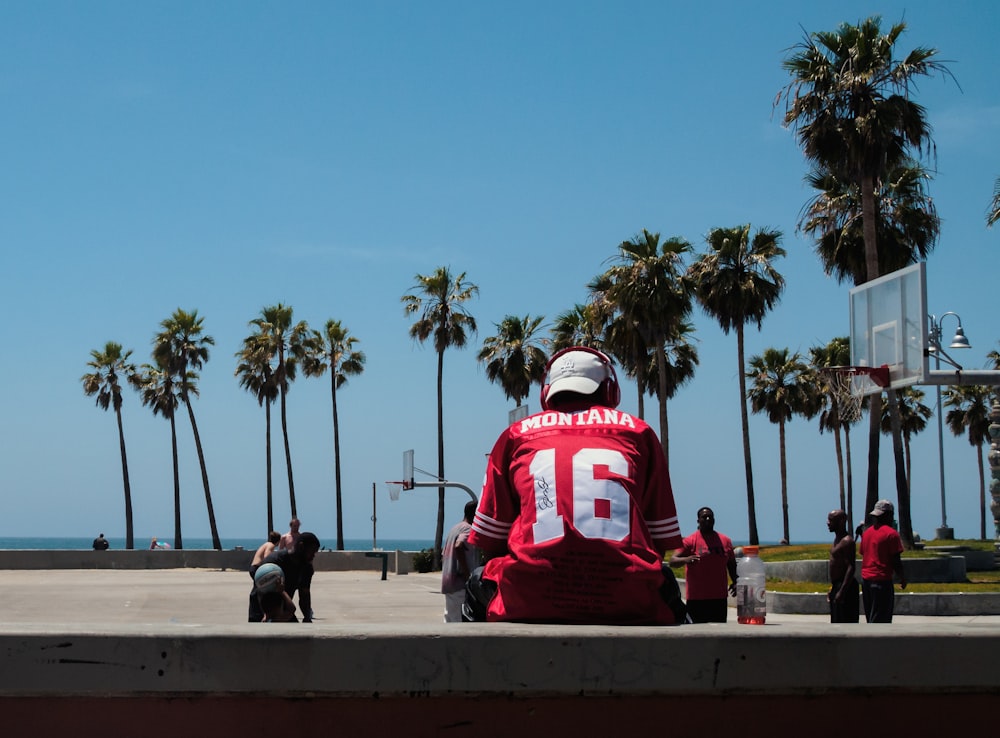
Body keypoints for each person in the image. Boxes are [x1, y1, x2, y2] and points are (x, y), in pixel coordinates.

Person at [464, 346, 684, 624]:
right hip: (628, 597)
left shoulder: (515, 435)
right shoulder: (639, 433)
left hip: (529, 595)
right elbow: (658, 542)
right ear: (609, 389)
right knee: (665, 583)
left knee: (477, 580)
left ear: (547, 392)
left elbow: (491, 543)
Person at [669, 507, 737, 623]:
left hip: (719, 598)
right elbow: (672, 561)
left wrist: (736, 582)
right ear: (698, 520)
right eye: (704, 517)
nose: (708, 519)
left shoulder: (725, 541)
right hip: (697, 599)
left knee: (719, 635)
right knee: (697, 636)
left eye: (710, 516)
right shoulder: (690, 541)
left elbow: (731, 565)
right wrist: (687, 559)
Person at [247, 531, 320, 623]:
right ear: (301, 546)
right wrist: (265, 614)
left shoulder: (306, 568)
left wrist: (307, 617)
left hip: (283, 610)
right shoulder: (275, 561)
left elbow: (304, 594)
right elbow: (260, 589)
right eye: (312, 551)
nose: (313, 556)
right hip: (261, 610)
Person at [859, 499, 907, 623]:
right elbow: (895, 559)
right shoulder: (892, 534)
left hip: (866, 581)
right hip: (882, 581)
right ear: (889, 515)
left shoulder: (867, 533)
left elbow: (864, 553)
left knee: (871, 615)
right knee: (881, 619)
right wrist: (902, 577)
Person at [441, 501, 480, 622]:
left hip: (449, 582)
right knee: (460, 622)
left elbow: (444, 553)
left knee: (450, 618)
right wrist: (467, 575)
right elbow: (459, 546)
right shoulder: (468, 529)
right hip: (460, 584)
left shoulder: (455, 529)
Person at [827, 509, 859, 623]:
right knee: (835, 621)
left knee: (845, 621)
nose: (828, 523)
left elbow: (851, 567)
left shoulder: (847, 541)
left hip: (846, 587)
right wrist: (833, 589)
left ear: (841, 522)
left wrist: (842, 591)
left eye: (831, 520)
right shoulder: (837, 539)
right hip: (837, 585)